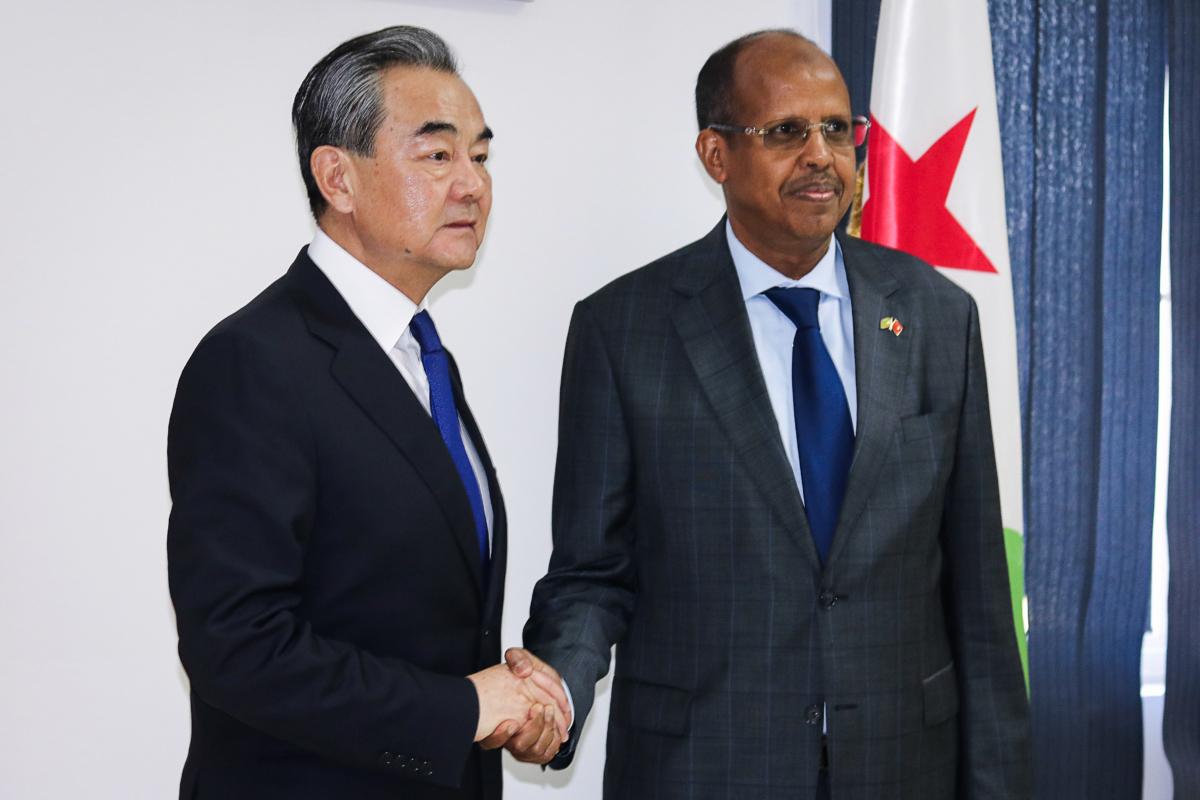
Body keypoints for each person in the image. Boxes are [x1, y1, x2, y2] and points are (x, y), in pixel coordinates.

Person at [522, 29, 1031, 799]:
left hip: (901, 765)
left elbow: (980, 597)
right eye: (785, 132)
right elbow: (593, 572)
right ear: (716, 155)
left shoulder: (935, 314)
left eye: (836, 129)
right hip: (703, 768)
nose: (821, 154)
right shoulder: (624, 329)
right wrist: (556, 690)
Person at [167, 26, 568, 800]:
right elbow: (237, 648)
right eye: (438, 154)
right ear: (337, 177)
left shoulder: (417, 349)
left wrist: (515, 697)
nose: (474, 185)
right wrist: (463, 706)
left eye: (481, 156)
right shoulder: (256, 360)